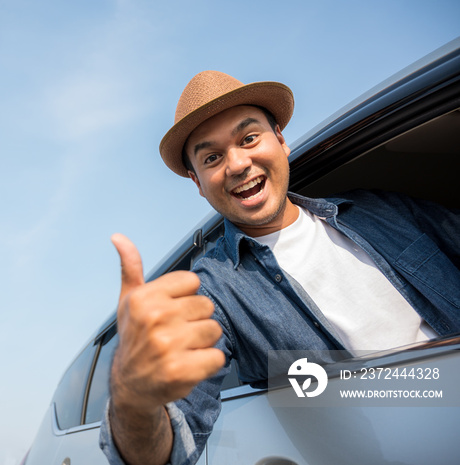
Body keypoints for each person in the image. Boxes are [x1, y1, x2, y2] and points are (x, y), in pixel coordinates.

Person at [99, 70, 460, 465]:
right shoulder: (210, 292)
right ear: (198, 183)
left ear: (281, 140)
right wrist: (132, 396)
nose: (237, 163)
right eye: (212, 157)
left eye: (249, 138)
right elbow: (166, 448)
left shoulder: (379, 210)